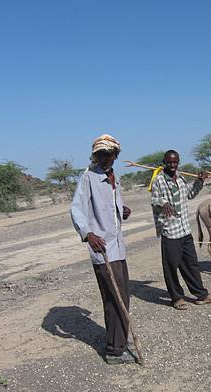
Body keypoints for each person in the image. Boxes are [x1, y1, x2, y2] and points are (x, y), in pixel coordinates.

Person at [70, 134, 136, 364]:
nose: (106, 159)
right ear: (95, 156)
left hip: (118, 247)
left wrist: (122, 210)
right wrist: (88, 234)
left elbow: (110, 209)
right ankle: (115, 350)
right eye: (101, 155)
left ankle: (118, 340)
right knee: (114, 297)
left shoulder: (112, 178)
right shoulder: (89, 177)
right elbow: (77, 209)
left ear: (116, 155)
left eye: (109, 155)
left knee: (122, 296)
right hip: (103, 248)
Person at [150, 149, 211, 310]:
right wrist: (164, 203)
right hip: (170, 231)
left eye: (175, 162)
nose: (172, 165)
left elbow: (189, 195)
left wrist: (199, 182)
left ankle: (201, 295)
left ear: (178, 162)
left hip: (184, 230)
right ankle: (176, 298)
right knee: (171, 267)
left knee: (191, 264)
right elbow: (154, 199)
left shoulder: (181, 178)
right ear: (164, 162)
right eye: (169, 162)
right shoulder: (159, 180)